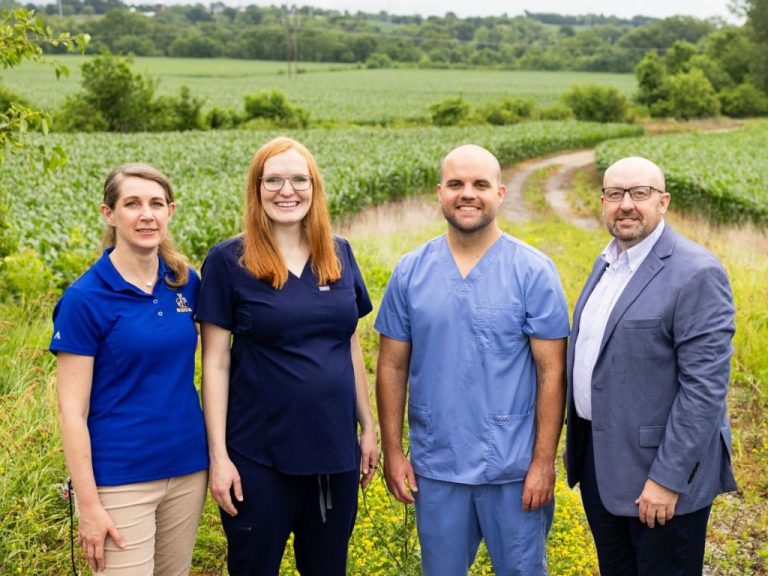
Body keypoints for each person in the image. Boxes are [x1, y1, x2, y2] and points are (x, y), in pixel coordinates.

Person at [375, 144, 570, 576]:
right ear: (439, 192)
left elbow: (552, 371)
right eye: (456, 184)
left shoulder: (533, 271)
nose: (468, 193)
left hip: (513, 470)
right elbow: (391, 366)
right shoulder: (411, 271)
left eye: (480, 184)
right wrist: (393, 451)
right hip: (438, 465)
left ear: (499, 193)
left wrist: (542, 463)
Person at [196, 136, 377, 576]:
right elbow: (215, 363)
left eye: (299, 179)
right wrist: (219, 458)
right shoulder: (227, 261)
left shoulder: (339, 253)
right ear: (256, 189)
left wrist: (368, 426)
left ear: (314, 188)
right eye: (273, 180)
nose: (287, 190)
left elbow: (348, 341)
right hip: (259, 456)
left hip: (333, 453)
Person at [565, 156, 737, 576]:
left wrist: (667, 479)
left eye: (639, 193)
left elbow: (704, 390)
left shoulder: (695, 272)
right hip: (602, 465)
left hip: (658, 476)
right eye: (615, 194)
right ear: (602, 201)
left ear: (663, 202)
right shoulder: (605, 264)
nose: (626, 204)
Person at [51, 163, 209, 575]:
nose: (146, 215)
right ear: (109, 214)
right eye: (132, 204)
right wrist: (88, 505)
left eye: (156, 204)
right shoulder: (85, 299)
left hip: (189, 468)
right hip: (121, 478)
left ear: (170, 211)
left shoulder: (185, 282)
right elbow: (72, 411)